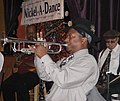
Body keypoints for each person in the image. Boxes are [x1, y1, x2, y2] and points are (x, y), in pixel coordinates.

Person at [29, 18, 99, 101]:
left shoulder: (88, 61)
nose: (65, 40)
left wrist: (44, 56)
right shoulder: (66, 60)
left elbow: (63, 80)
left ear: (83, 40)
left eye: (70, 36)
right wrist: (39, 56)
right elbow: (44, 75)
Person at [2, 24, 40, 101]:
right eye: (29, 33)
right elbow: (17, 64)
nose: (30, 35)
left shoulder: (39, 46)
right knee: (5, 85)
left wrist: (24, 62)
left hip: (34, 74)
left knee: (20, 85)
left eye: (32, 33)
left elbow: (38, 66)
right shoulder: (24, 45)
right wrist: (17, 62)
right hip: (21, 74)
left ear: (36, 33)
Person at [97, 30, 120, 101]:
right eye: (107, 42)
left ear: (117, 40)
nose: (109, 44)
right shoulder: (102, 53)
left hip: (116, 87)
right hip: (102, 88)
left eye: (112, 42)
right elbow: (99, 69)